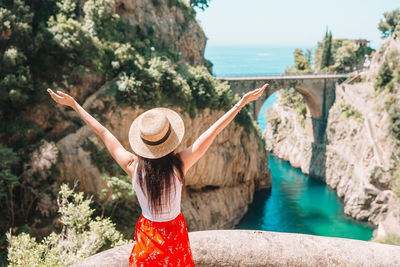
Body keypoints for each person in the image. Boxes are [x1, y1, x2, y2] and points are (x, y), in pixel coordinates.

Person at [47, 82, 268, 266]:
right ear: (169, 140)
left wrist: (75, 104)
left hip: (148, 237)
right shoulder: (179, 164)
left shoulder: (133, 165)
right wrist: (241, 103)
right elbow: (211, 133)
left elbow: (103, 132)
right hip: (175, 237)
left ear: (143, 144)